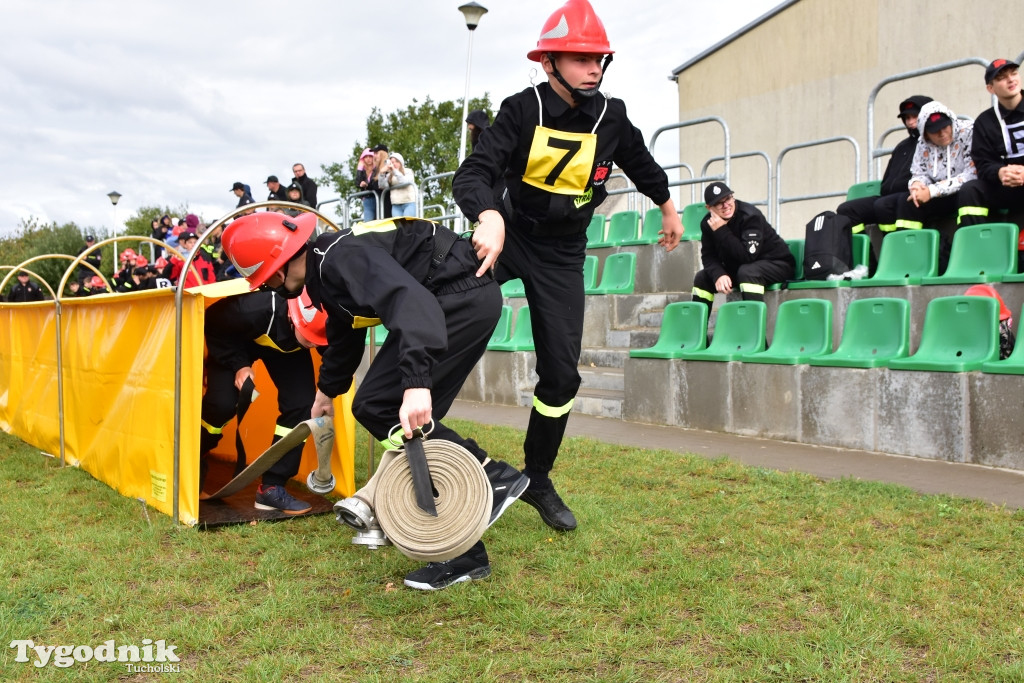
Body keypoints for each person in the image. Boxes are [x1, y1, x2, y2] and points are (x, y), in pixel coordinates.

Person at [451, 0, 683, 533]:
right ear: (549, 62)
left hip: (562, 255)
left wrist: (668, 207)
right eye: (580, 58)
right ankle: (417, 427)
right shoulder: (519, 109)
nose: (594, 68)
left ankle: (537, 476)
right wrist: (488, 215)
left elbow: (642, 165)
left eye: (599, 58)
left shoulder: (612, 115)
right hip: (509, 236)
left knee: (561, 375)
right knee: (445, 305)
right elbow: (474, 173)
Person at [220, 211, 530, 591]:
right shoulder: (325, 267)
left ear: (277, 269)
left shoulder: (339, 259)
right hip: (453, 301)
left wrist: (415, 382)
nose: (268, 287)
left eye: (265, 280)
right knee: (378, 408)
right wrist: (326, 392)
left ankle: (489, 481)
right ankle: (468, 542)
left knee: (379, 405)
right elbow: (344, 329)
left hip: (456, 300)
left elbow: (408, 300)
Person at [199, 288, 324, 514]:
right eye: (311, 340)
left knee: (303, 405)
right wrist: (239, 364)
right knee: (221, 406)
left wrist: (329, 390)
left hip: (287, 345)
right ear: (292, 318)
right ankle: (193, 462)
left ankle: (271, 488)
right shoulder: (252, 308)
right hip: (233, 338)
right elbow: (213, 321)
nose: (314, 346)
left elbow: (333, 351)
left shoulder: (322, 319)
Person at [837, 95, 933, 239]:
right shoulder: (902, 147)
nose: (911, 122)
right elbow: (886, 182)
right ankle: (868, 259)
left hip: (913, 197)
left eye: (915, 116)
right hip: (887, 198)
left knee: (885, 204)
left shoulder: (934, 143)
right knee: (846, 210)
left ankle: (896, 251)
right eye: (907, 118)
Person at [690, 182, 795, 312]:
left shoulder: (750, 216)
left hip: (777, 264)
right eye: (719, 203)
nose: (726, 205)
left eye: (728, 198)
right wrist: (719, 275)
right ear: (709, 207)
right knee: (702, 278)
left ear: (732, 197)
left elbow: (747, 256)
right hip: (742, 268)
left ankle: (755, 330)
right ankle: (698, 330)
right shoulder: (707, 224)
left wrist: (721, 230)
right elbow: (708, 256)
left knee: (748, 272)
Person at [896, 101, 976, 266]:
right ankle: (911, 263)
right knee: (909, 202)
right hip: (939, 194)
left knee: (970, 191)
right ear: (925, 133)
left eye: (945, 127)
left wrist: (932, 191)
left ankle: (969, 258)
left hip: (963, 193)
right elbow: (919, 171)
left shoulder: (968, 131)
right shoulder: (922, 142)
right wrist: (917, 185)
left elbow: (972, 174)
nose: (942, 133)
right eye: (935, 131)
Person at [958, 59, 1024, 228]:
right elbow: (983, 162)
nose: (1011, 79)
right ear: (990, 88)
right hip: (1008, 185)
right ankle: (977, 247)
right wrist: (1000, 172)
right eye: (1002, 77)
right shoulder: (984, 121)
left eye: (1014, 73)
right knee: (970, 190)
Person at [378, 152, 417, 217]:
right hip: (396, 205)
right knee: (398, 227)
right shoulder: (390, 175)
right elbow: (382, 185)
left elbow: (404, 182)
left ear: (401, 163)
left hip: (408, 203)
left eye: (396, 162)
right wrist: (381, 173)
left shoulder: (408, 171)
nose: (394, 164)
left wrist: (395, 170)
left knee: (408, 225)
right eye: (392, 162)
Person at [355, 148, 379, 221]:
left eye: (370, 156)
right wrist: (359, 168)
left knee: (378, 220)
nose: (368, 159)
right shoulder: (362, 170)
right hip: (367, 199)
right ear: (363, 158)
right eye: (366, 157)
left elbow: (375, 184)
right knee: (368, 222)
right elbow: (357, 183)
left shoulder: (377, 168)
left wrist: (366, 185)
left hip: (377, 197)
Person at [372, 144, 393, 218]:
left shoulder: (390, 167)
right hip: (379, 206)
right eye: (374, 154)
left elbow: (380, 186)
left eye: (376, 153)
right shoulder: (375, 170)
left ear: (383, 154)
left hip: (388, 206)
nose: (374, 156)